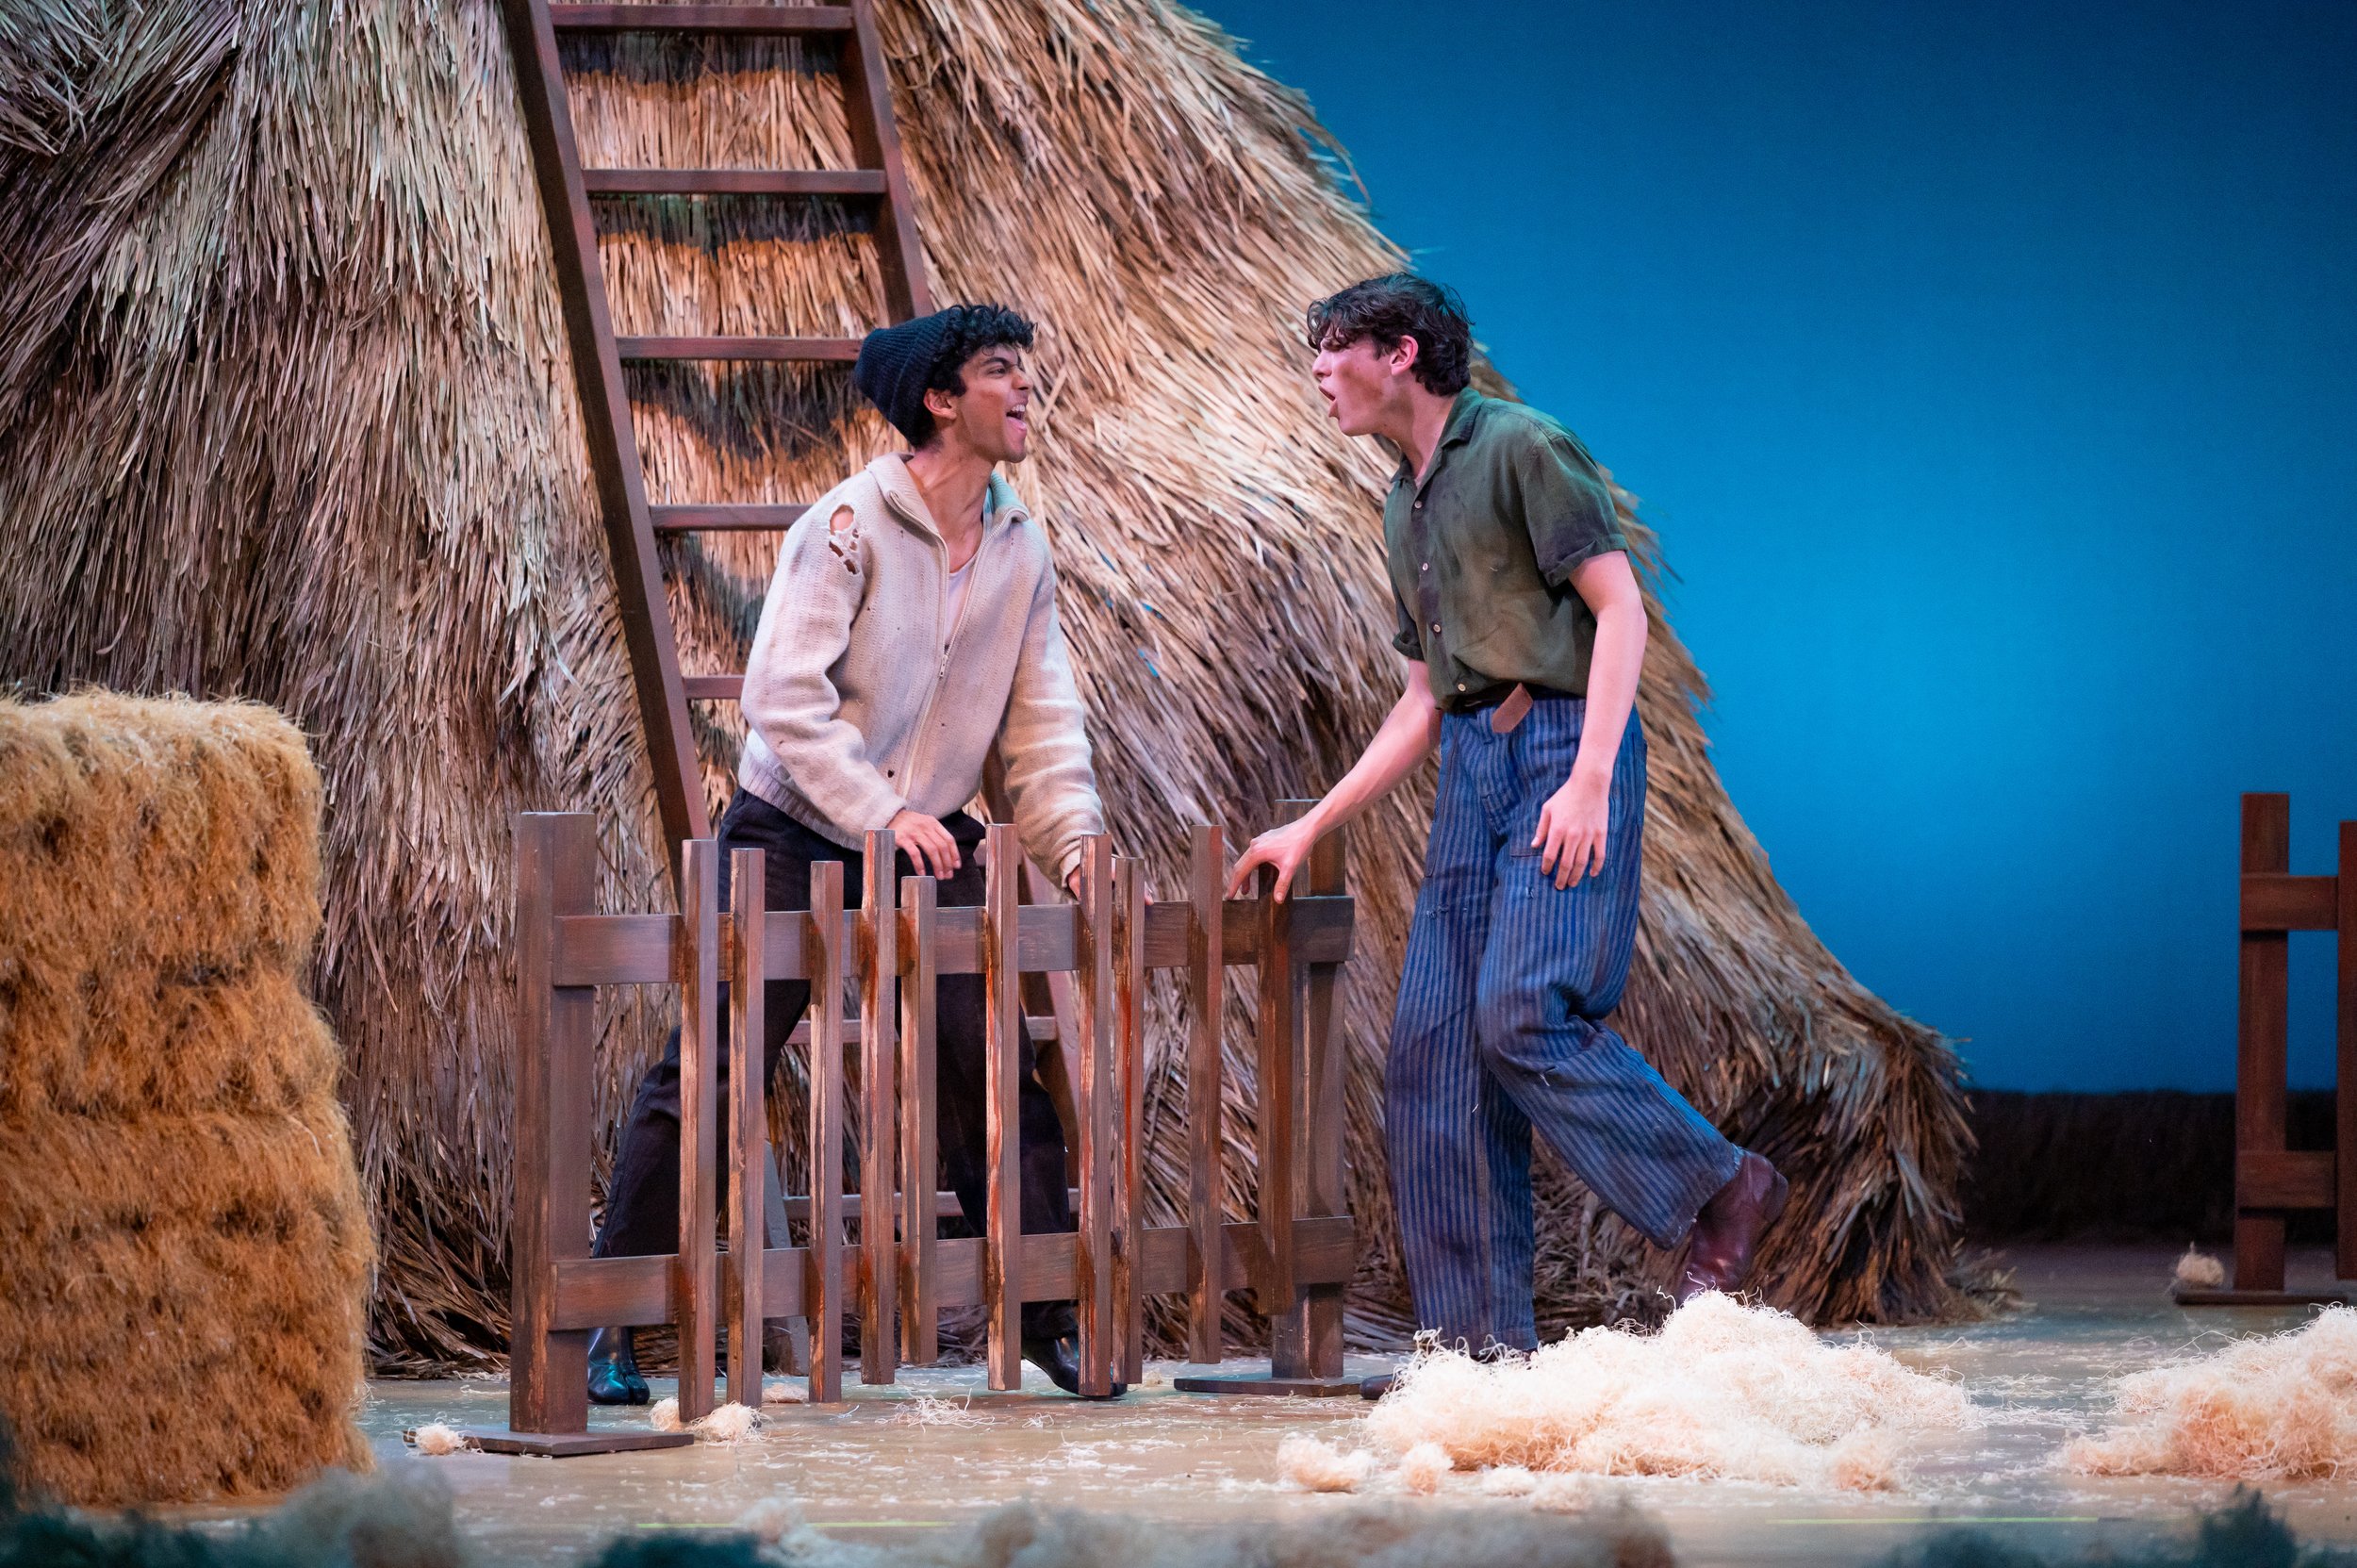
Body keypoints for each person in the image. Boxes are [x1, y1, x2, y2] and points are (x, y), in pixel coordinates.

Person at [1228, 275, 1786, 1388]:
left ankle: (1721, 1185)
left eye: (1335, 349)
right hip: (1475, 765)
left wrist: (1588, 779)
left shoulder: (1522, 446)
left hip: (1564, 744)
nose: (1319, 372)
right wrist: (1310, 824)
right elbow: (1419, 702)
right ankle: (1478, 1363)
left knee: (1523, 1009)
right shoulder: (1402, 503)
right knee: (1432, 1059)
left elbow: (1620, 609)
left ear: (1400, 351)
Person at [585, 304, 1125, 1403]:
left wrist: (1074, 843)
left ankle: (1045, 1313)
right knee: (715, 1069)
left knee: (990, 1063)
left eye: (1025, 370)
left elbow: (1041, 720)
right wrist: (877, 811)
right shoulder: (846, 524)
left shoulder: (1020, 546)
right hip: (794, 828)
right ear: (941, 399)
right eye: (1000, 370)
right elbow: (783, 697)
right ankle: (612, 1319)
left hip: (928, 837)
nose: (1025, 387)